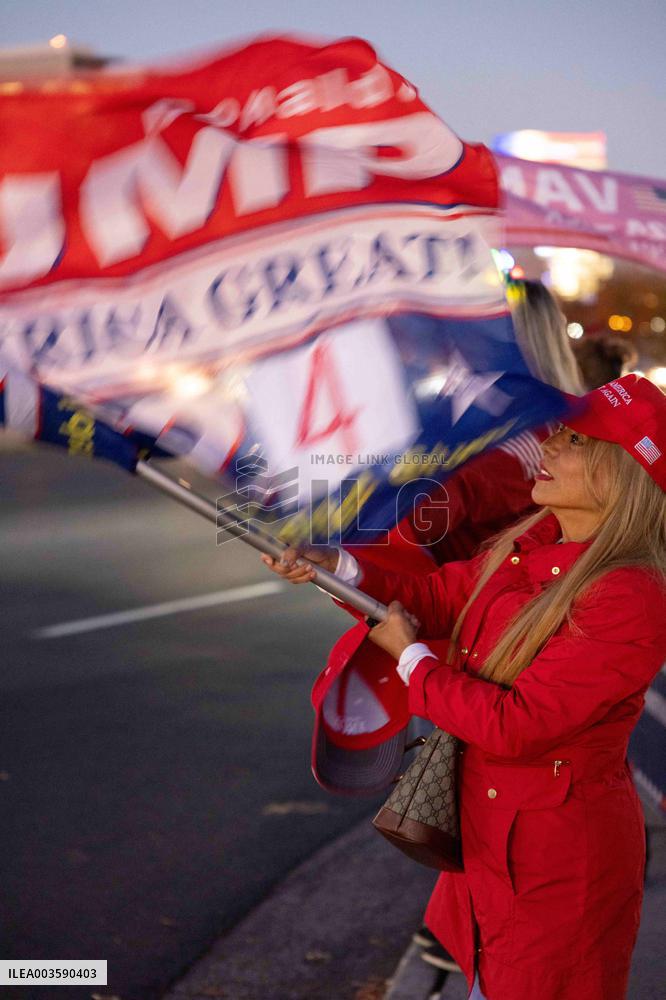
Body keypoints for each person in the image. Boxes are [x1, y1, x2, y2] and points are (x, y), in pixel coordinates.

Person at [262, 373, 666, 1000]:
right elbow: (433, 597)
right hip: (490, 846)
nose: (550, 445)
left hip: (556, 867)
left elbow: (519, 724)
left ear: (624, 476)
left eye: (577, 441)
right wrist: (335, 567)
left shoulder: (629, 595)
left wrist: (414, 663)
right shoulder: (528, 542)